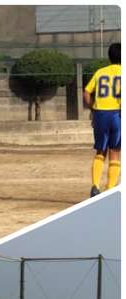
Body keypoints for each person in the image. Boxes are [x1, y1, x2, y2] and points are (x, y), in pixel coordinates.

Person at [84, 42, 121, 197]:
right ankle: (110, 189)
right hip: (117, 115)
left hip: (100, 114)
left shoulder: (100, 72)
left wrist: (93, 109)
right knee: (115, 151)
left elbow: (86, 92)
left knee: (101, 151)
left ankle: (95, 185)